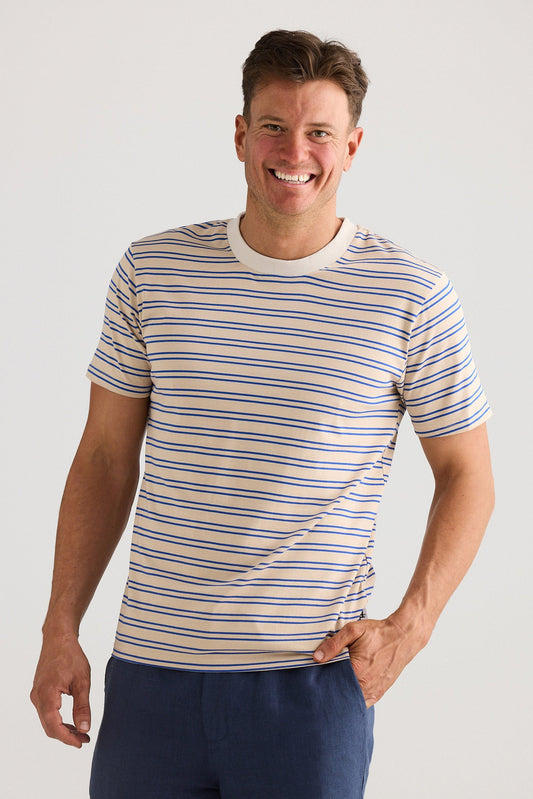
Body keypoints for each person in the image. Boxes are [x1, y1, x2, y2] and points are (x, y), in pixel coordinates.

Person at [30, 29, 494, 799]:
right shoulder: (152, 271)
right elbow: (105, 459)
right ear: (241, 134)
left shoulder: (410, 295)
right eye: (274, 125)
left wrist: (411, 624)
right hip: (151, 676)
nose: (294, 150)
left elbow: (467, 474)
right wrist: (59, 627)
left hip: (306, 687)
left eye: (318, 132)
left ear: (351, 147)